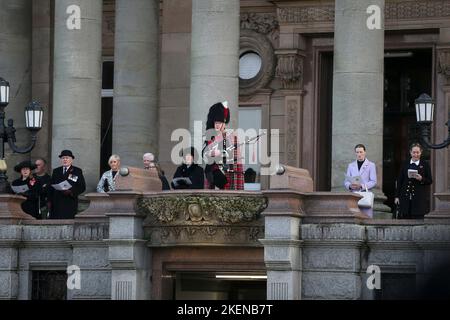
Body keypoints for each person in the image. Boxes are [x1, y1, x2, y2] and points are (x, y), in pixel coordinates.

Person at [202, 101, 244, 190]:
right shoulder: (210, 138)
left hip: (227, 175)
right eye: (216, 122)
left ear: (224, 123)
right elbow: (205, 155)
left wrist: (221, 154)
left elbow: (237, 162)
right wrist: (210, 153)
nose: (217, 125)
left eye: (219, 123)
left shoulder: (232, 137)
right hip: (212, 174)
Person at [394, 143, 432, 219]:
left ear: (421, 152)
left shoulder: (425, 164)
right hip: (405, 198)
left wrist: (421, 179)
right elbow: (400, 180)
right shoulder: (405, 163)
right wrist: (397, 196)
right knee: (404, 219)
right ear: (410, 152)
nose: (416, 154)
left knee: (418, 220)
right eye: (414, 152)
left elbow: (430, 180)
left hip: (419, 199)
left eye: (418, 152)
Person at [48, 150, 86, 219]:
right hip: (57, 202)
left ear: (71, 160)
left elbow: (82, 186)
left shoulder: (77, 171)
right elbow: (51, 187)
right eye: (63, 158)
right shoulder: (56, 171)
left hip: (70, 202)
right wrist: (49, 200)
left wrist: (71, 192)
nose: (65, 160)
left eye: (67, 158)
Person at [344, 144, 377, 218]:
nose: (359, 154)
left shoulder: (371, 165)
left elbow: (373, 181)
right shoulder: (351, 165)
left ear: (365, 152)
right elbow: (346, 181)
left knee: (366, 217)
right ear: (355, 153)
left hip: (365, 195)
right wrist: (349, 185)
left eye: (361, 152)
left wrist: (362, 186)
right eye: (357, 152)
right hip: (353, 195)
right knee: (354, 217)